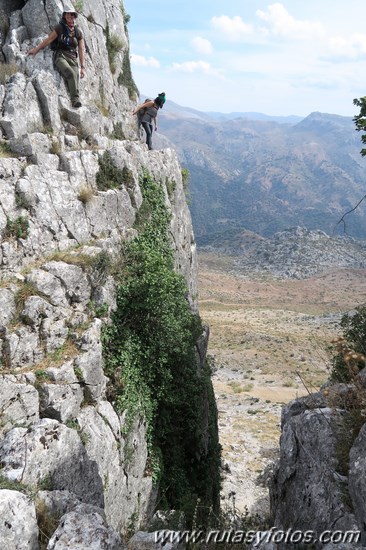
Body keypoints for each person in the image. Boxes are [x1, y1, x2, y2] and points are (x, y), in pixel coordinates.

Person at [27, 6, 85, 108]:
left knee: (76, 78)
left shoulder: (78, 31)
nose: (70, 16)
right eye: (68, 14)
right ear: (65, 16)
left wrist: (83, 67)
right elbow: (49, 40)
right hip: (61, 56)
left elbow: (81, 49)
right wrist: (36, 49)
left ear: (74, 17)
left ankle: (76, 99)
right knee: (70, 73)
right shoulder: (60, 28)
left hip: (73, 59)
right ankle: (75, 100)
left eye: (72, 15)